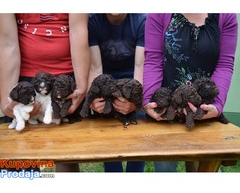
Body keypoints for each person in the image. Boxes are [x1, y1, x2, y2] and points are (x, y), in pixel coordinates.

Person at [143, 13, 238, 172]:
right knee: (165, 169)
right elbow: (154, 59)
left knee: (207, 171)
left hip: (204, 109)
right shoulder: (159, 12)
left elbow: (225, 64)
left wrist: (216, 105)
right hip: (168, 112)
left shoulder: (225, 14)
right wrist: (149, 101)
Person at [0, 13, 90, 172]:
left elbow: (78, 30)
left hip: (64, 79)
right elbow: (7, 43)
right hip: (24, 80)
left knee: (66, 152)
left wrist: (81, 88)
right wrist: (6, 100)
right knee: (19, 152)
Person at [88, 13, 146, 172]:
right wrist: (94, 98)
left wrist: (136, 102)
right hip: (106, 83)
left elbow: (140, 66)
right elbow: (95, 67)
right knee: (108, 138)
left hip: (132, 83)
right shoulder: (93, 22)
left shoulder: (141, 21)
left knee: (137, 136)